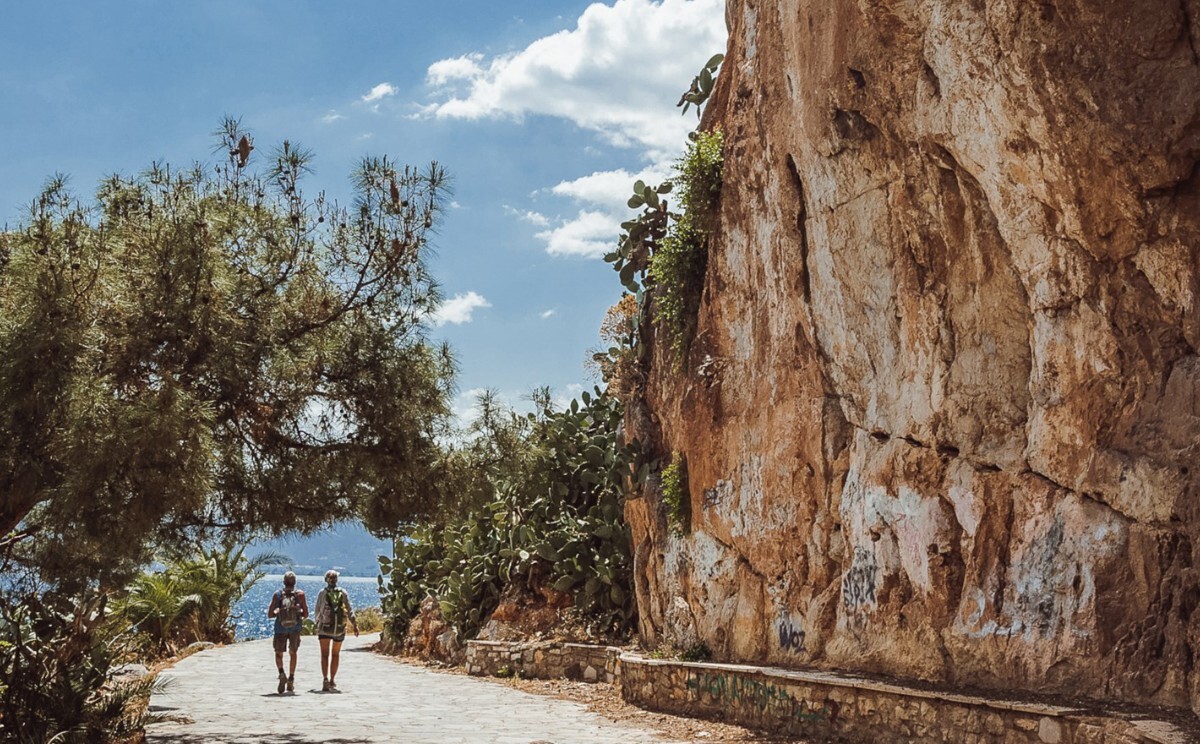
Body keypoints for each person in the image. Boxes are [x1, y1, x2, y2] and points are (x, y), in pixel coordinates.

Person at [313, 569, 358, 691]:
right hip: (339, 629)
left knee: (324, 655)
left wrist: (317, 623)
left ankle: (325, 679)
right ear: (336, 580)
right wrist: (354, 624)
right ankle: (332, 680)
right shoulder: (343, 593)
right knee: (335, 654)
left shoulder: (322, 593)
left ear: (326, 580)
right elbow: (349, 610)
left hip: (324, 628)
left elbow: (317, 611)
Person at [266, 571, 309, 694]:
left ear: (284, 582)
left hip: (280, 628)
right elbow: (306, 614)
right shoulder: (300, 595)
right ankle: (291, 678)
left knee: (279, 653)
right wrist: (297, 612)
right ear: (295, 583)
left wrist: (278, 612)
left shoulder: (278, 595)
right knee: (293, 652)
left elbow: (270, 615)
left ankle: (281, 673)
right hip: (295, 628)